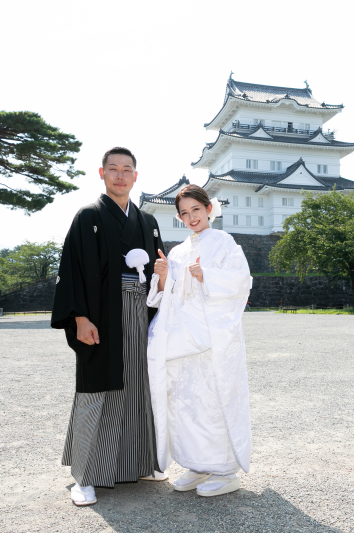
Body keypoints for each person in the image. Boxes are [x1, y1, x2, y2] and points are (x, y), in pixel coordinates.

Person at [51, 147, 165, 507]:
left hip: (141, 311)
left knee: (138, 387)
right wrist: (80, 318)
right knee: (96, 388)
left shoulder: (148, 221)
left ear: (136, 176)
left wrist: (164, 275)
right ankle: (85, 476)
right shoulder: (88, 216)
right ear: (101, 174)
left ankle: (139, 463)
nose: (120, 175)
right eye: (112, 169)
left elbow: (161, 267)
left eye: (126, 169)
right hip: (101, 313)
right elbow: (72, 270)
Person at [146, 184, 252, 498]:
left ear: (208, 209)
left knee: (213, 401)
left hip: (211, 337)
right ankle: (195, 463)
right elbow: (166, 295)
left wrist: (207, 275)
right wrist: (163, 274)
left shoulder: (224, 242)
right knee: (184, 402)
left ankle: (223, 468)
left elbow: (240, 281)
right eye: (184, 213)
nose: (191, 217)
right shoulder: (178, 251)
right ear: (178, 217)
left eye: (196, 209)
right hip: (181, 336)